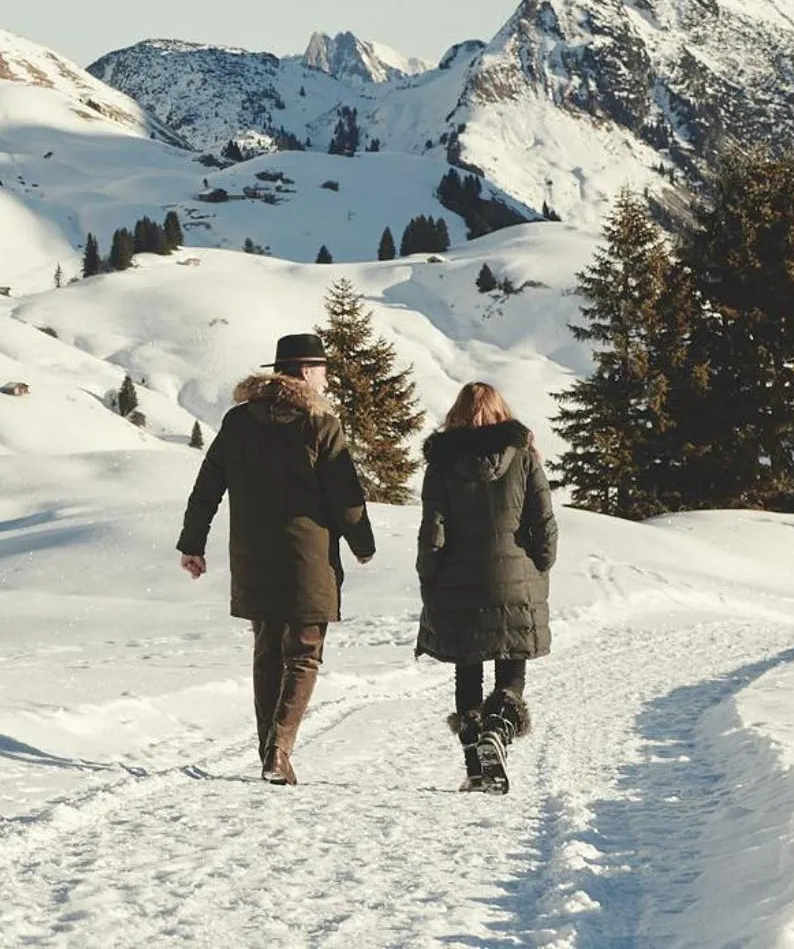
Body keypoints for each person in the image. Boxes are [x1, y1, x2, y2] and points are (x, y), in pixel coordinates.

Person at [178, 331, 376, 784]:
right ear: (307, 371)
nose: (327, 378)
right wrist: (362, 543)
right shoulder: (319, 422)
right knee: (304, 653)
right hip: (308, 557)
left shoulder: (238, 421)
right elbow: (345, 495)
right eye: (323, 369)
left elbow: (208, 485)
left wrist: (193, 542)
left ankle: (270, 749)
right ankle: (279, 750)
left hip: (252, 555)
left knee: (267, 650)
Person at [416, 380, 557, 793]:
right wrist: (538, 566)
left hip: (460, 581)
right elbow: (544, 522)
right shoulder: (525, 457)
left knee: (468, 671)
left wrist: (430, 576)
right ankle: (500, 727)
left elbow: (433, 531)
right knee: (511, 665)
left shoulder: (441, 464)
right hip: (516, 581)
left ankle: (477, 768)